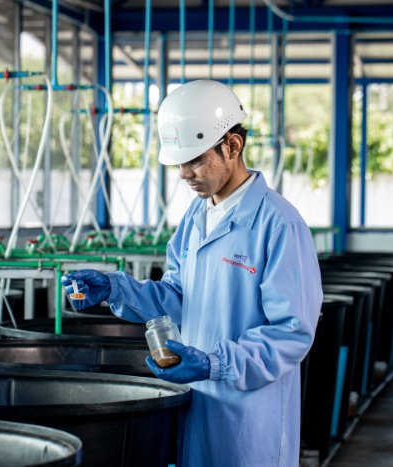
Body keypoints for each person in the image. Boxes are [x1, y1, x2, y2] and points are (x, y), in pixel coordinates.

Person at [61, 79, 322, 466]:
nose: (184, 173)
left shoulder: (278, 223)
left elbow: (292, 332)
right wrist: (117, 289)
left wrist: (217, 363)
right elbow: (179, 298)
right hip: (197, 403)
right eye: (179, 163)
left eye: (195, 159)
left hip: (250, 417)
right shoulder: (197, 217)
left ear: (232, 146)